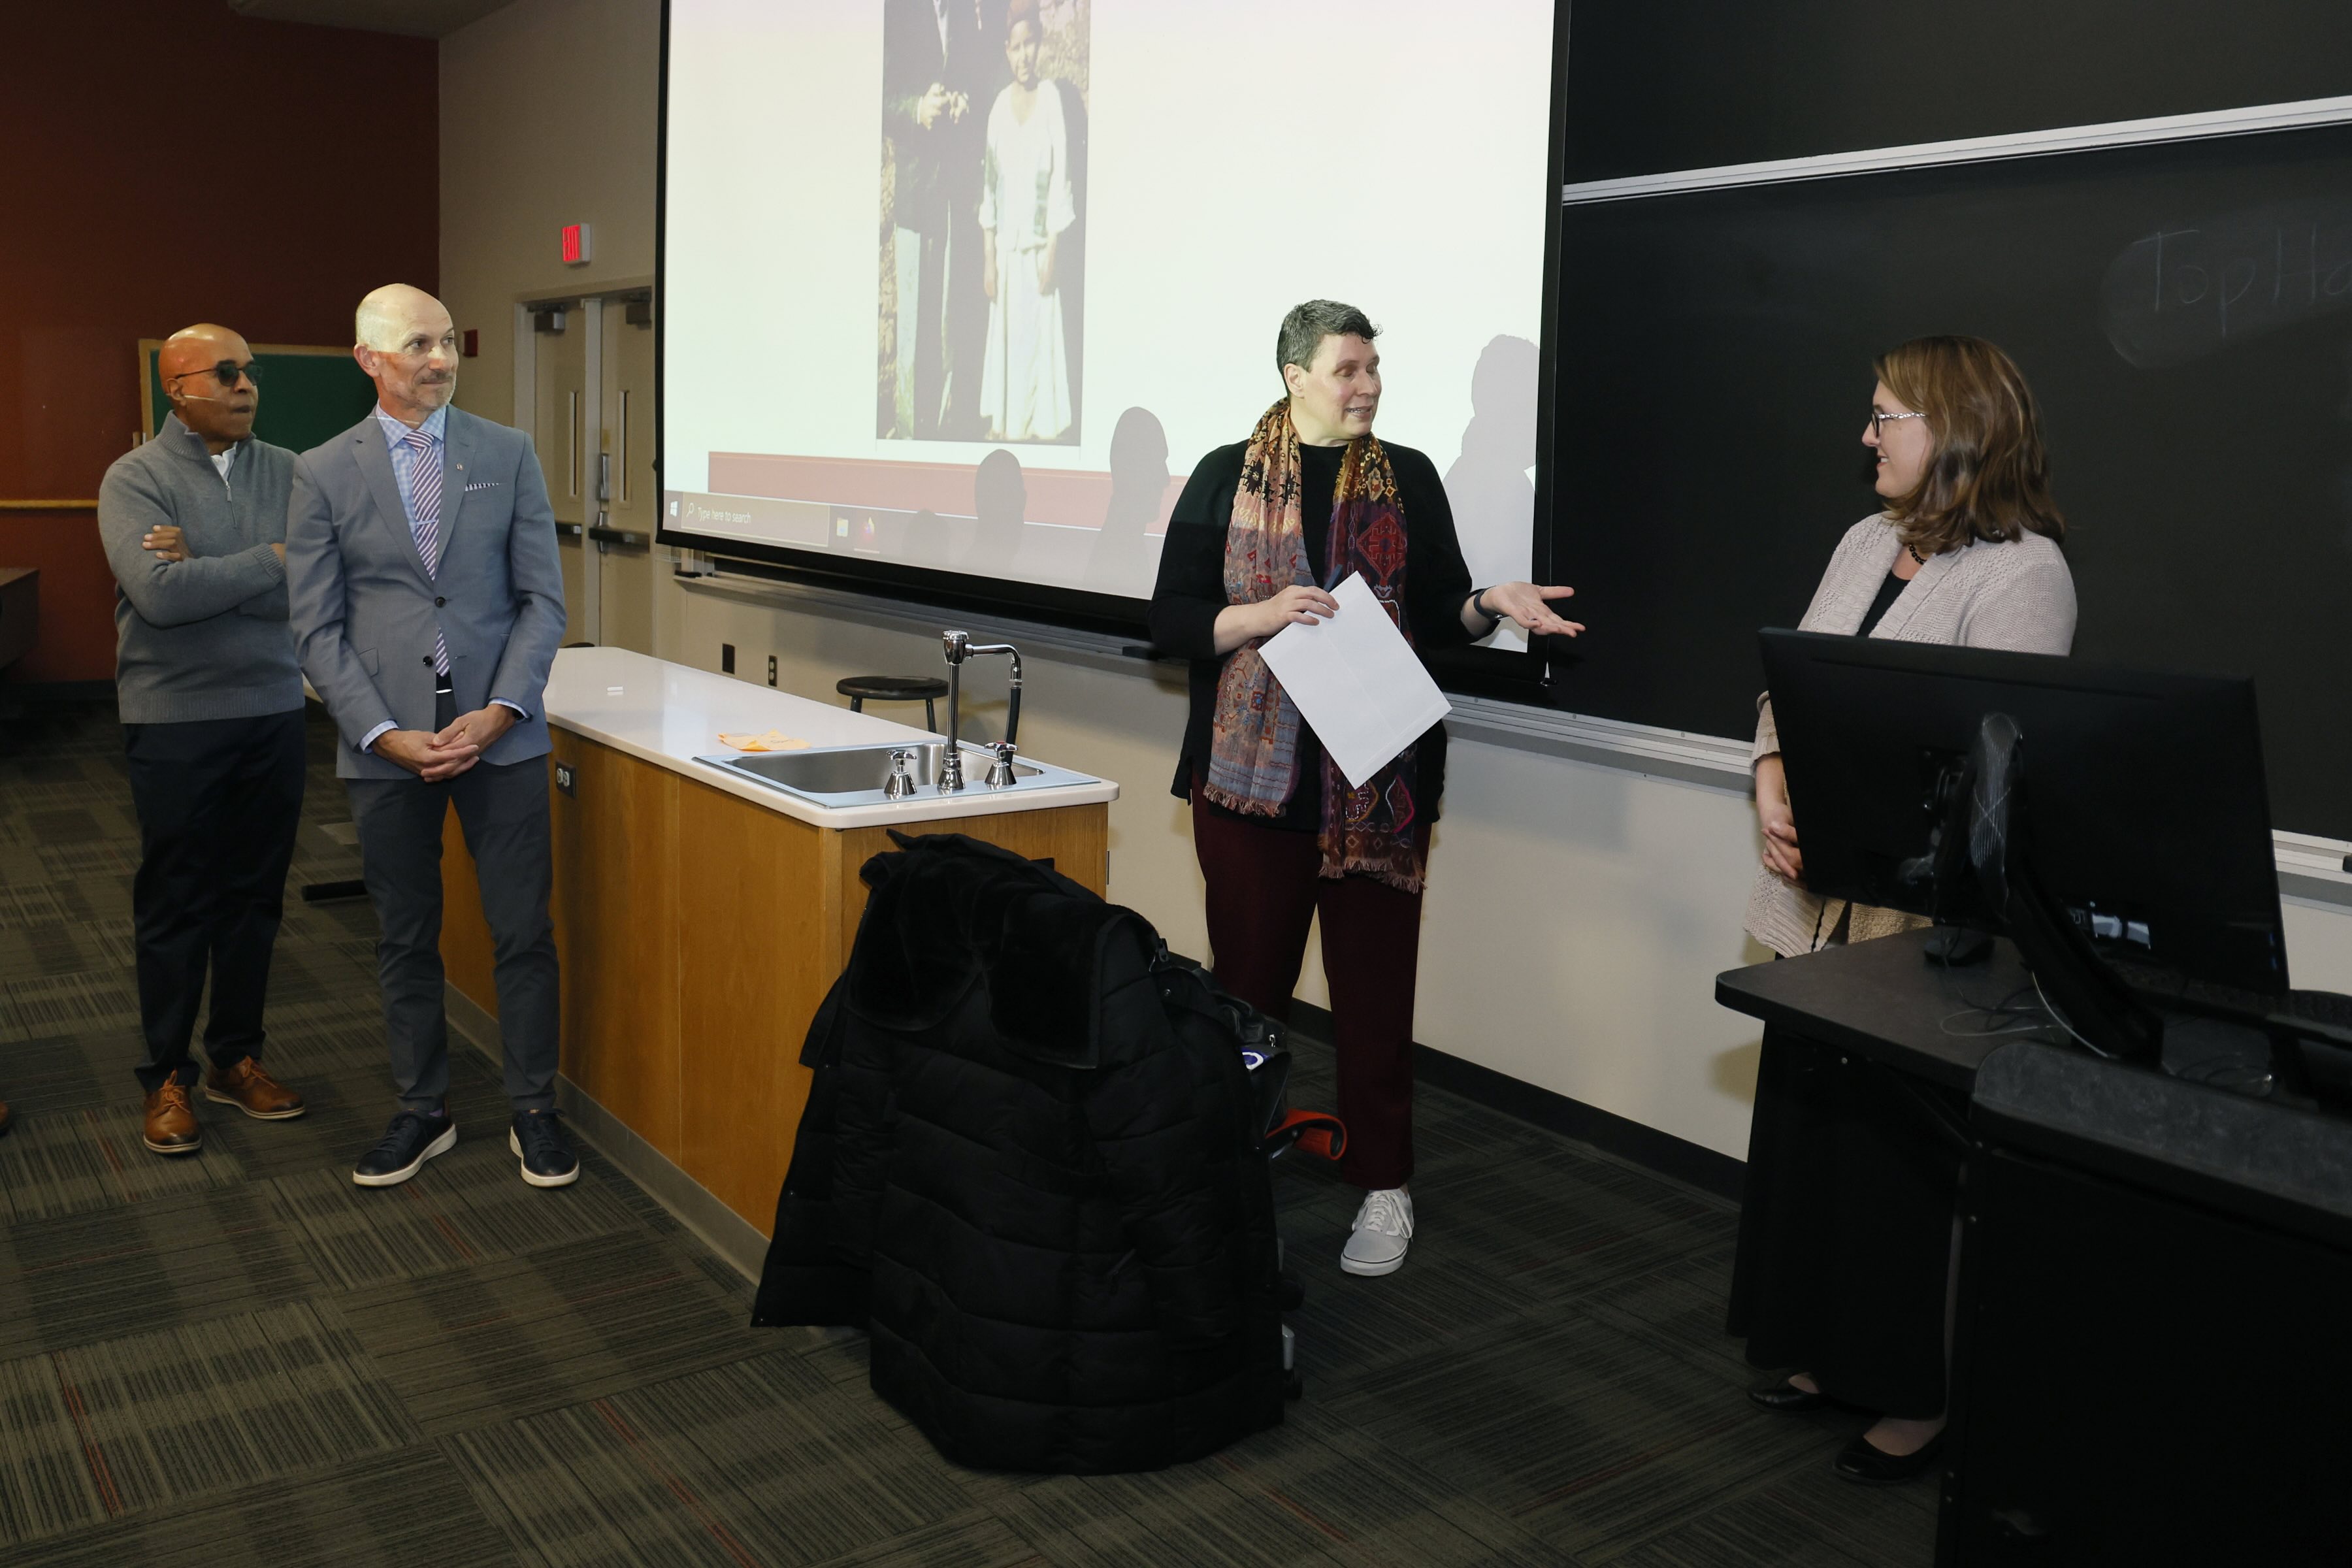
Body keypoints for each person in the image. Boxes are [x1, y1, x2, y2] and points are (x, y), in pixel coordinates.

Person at [1149, 299, 1584, 1277]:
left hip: (1378, 787)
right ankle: (1232, 1167)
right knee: (1247, 997)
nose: (1368, 385)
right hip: (1253, 790)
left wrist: (1489, 606)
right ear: (1295, 375)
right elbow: (1173, 622)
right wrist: (1258, 613)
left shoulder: (1411, 478)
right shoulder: (1225, 475)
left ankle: (1384, 1186)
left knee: (1377, 1000)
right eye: (1348, 369)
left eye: (1374, 368)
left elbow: (1438, 616)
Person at [1729, 335, 2077, 1484]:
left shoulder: (2025, 573)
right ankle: (1826, 1352)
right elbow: (1792, 680)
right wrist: (1774, 776)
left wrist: (1860, 813)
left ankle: (1916, 1397)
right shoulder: (1864, 540)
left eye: (1886, 417)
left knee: (1899, 1169)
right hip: (1816, 905)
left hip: (1918, 932)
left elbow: (1995, 770)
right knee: (1818, 1139)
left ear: (1956, 429)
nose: (1865, 438)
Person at [286, 284, 572, 1191]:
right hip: (388, 748)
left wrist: (502, 711)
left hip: (503, 739)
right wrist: (380, 732)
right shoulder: (323, 470)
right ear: (370, 358)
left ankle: (535, 1107)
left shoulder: (508, 453)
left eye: (449, 341)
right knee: (407, 936)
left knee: (522, 931)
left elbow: (543, 601)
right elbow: (316, 627)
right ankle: (423, 1108)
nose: (441, 358)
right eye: (419, 344)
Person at [96, 323, 309, 1156]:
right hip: (174, 715)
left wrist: (214, 565)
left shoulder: (289, 469)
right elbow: (161, 599)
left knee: (255, 894)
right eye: (226, 373)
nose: (246, 385)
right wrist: (271, 560)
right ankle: (167, 1077)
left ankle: (237, 1058)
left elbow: (319, 582)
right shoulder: (135, 478)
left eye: (251, 371)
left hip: (271, 708)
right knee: (179, 897)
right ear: (177, 387)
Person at [883, 0, 996, 438]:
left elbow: (977, 81)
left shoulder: (966, 15)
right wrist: (917, 108)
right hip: (916, 195)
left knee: (953, 320)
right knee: (915, 326)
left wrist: (964, 101)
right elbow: (879, 100)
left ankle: (946, 435)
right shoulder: (899, 12)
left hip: (955, 192)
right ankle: (912, 432)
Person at [977, 0, 1077, 443]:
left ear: (1040, 47)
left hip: (1039, 250)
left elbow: (1061, 178)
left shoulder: (1052, 100)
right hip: (1006, 251)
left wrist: (1053, 250)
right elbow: (988, 184)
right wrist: (988, 258)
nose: (1024, 56)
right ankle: (1009, 428)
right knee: (1010, 346)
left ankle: (1039, 432)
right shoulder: (999, 107)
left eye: (1030, 45)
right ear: (1006, 50)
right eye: (1016, 48)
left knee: (1037, 347)